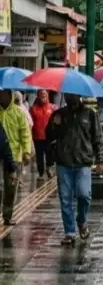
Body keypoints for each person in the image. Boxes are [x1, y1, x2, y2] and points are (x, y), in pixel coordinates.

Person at [46, 93, 103, 245]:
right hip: (63, 163)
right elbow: (49, 135)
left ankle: (82, 220)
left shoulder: (90, 114)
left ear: (78, 96)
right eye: (66, 94)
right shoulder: (59, 114)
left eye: (71, 95)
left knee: (84, 195)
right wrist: (54, 124)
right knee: (65, 198)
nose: (68, 97)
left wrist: (100, 160)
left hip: (83, 162)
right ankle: (69, 232)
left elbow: (98, 138)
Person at [0, 90, 32, 225]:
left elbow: (25, 133)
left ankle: (7, 215)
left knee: (10, 188)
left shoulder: (19, 112)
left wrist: (27, 151)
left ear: (10, 95)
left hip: (14, 156)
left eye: (3, 94)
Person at [30, 89, 55, 179]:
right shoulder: (33, 109)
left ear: (47, 96)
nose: (43, 97)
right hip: (37, 137)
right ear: (38, 96)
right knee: (39, 157)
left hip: (49, 137)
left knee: (50, 155)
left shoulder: (52, 108)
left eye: (45, 95)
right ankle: (41, 173)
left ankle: (49, 168)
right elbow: (30, 123)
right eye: (41, 95)